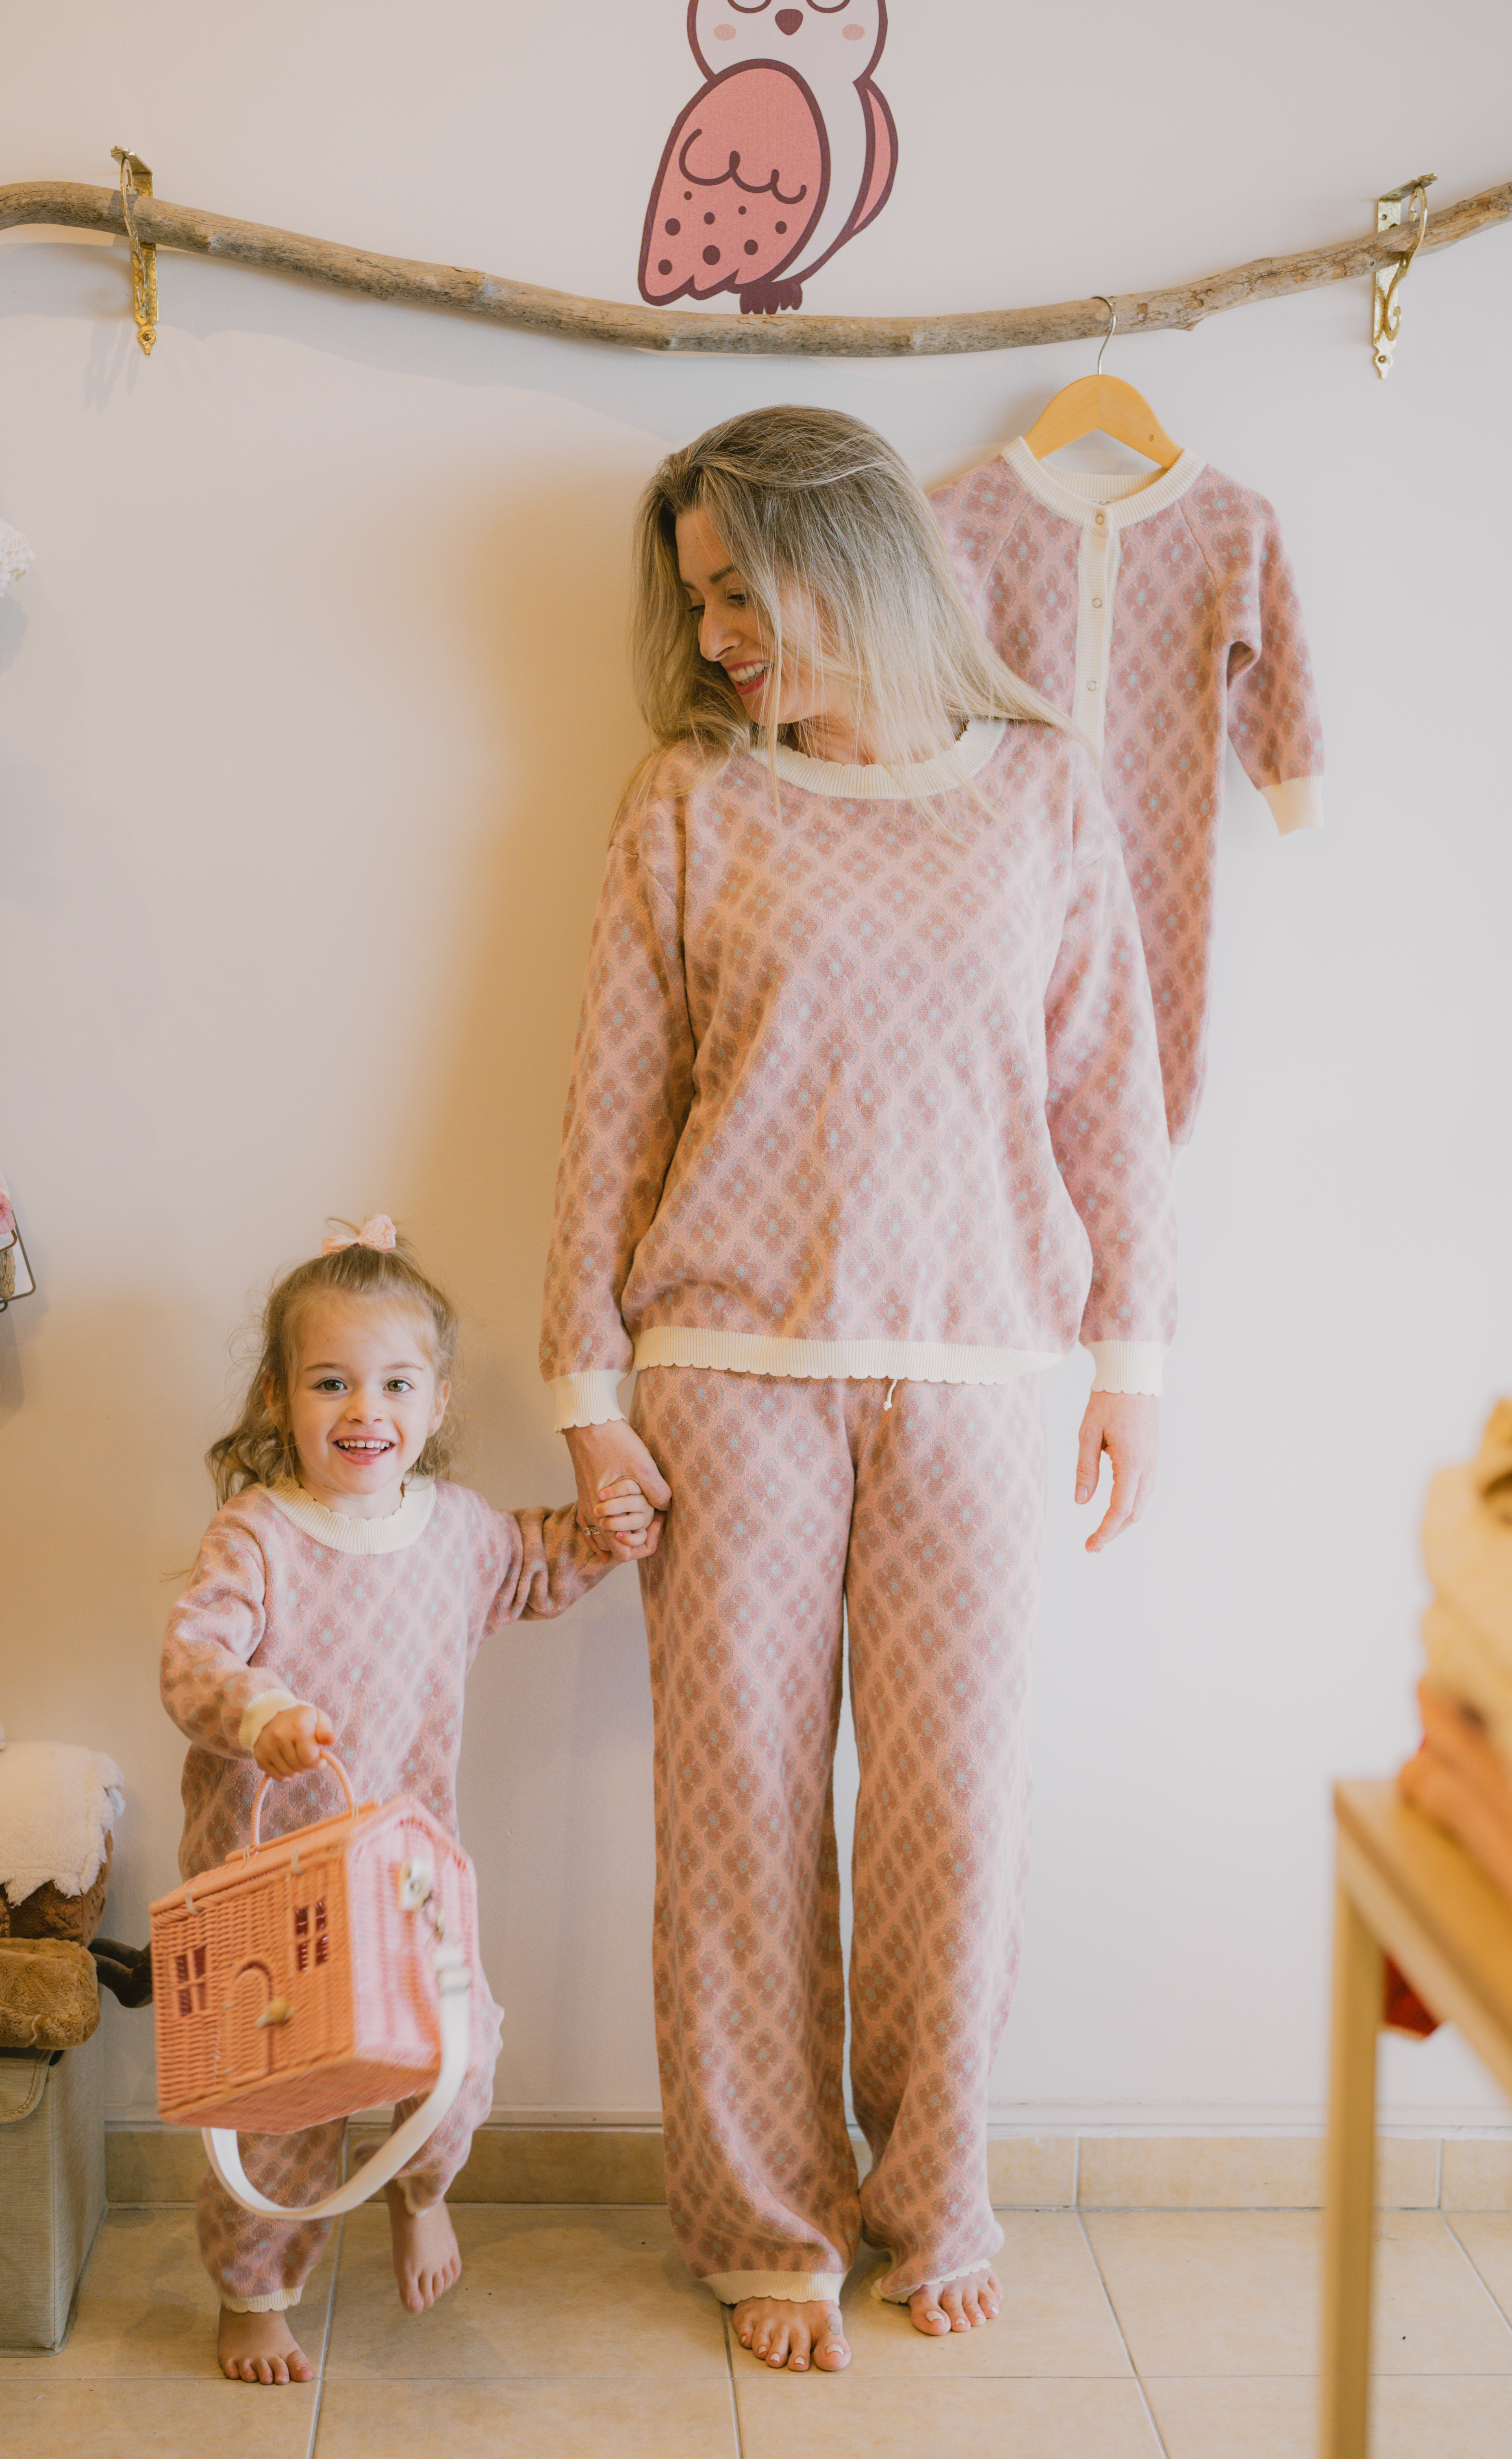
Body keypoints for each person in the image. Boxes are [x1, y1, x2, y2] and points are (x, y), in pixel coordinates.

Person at [541, 406, 1176, 2375]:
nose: (721, 634)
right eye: (699, 599)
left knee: (949, 1818)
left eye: (745, 586)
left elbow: (1111, 1103)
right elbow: (611, 1111)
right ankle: (765, 2221)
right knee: (730, 1813)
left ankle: (936, 2195)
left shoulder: (1045, 797)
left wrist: (1131, 1361)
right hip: (725, 1369)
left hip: (982, 1368)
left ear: (857, 554)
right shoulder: (687, 802)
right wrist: (582, 1382)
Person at [161, 1213, 658, 2385]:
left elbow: (541, 1566)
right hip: (270, 1879)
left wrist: (609, 1526)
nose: (362, 1409)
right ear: (281, 1399)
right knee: (282, 2099)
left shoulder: (458, 1534)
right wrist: (260, 1715)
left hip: (409, 1878)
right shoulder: (261, 1535)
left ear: (436, 1406)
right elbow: (192, 1661)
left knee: (460, 2054)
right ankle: (253, 2293)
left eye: (393, 1383)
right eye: (330, 1381)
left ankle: (418, 2194)